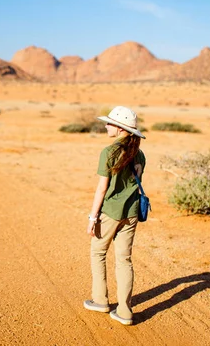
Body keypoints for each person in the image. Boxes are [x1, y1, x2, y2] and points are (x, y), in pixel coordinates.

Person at [83, 106, 146, 326]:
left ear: (120, 129)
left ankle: (100, 300)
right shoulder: (139, 154)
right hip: (131, 213)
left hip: (110, 212)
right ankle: (125, 312)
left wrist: (93, 218)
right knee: (124, 260)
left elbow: (102, 189)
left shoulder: (109, 152)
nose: (106, 126)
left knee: (98, 253)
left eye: (110, 123)